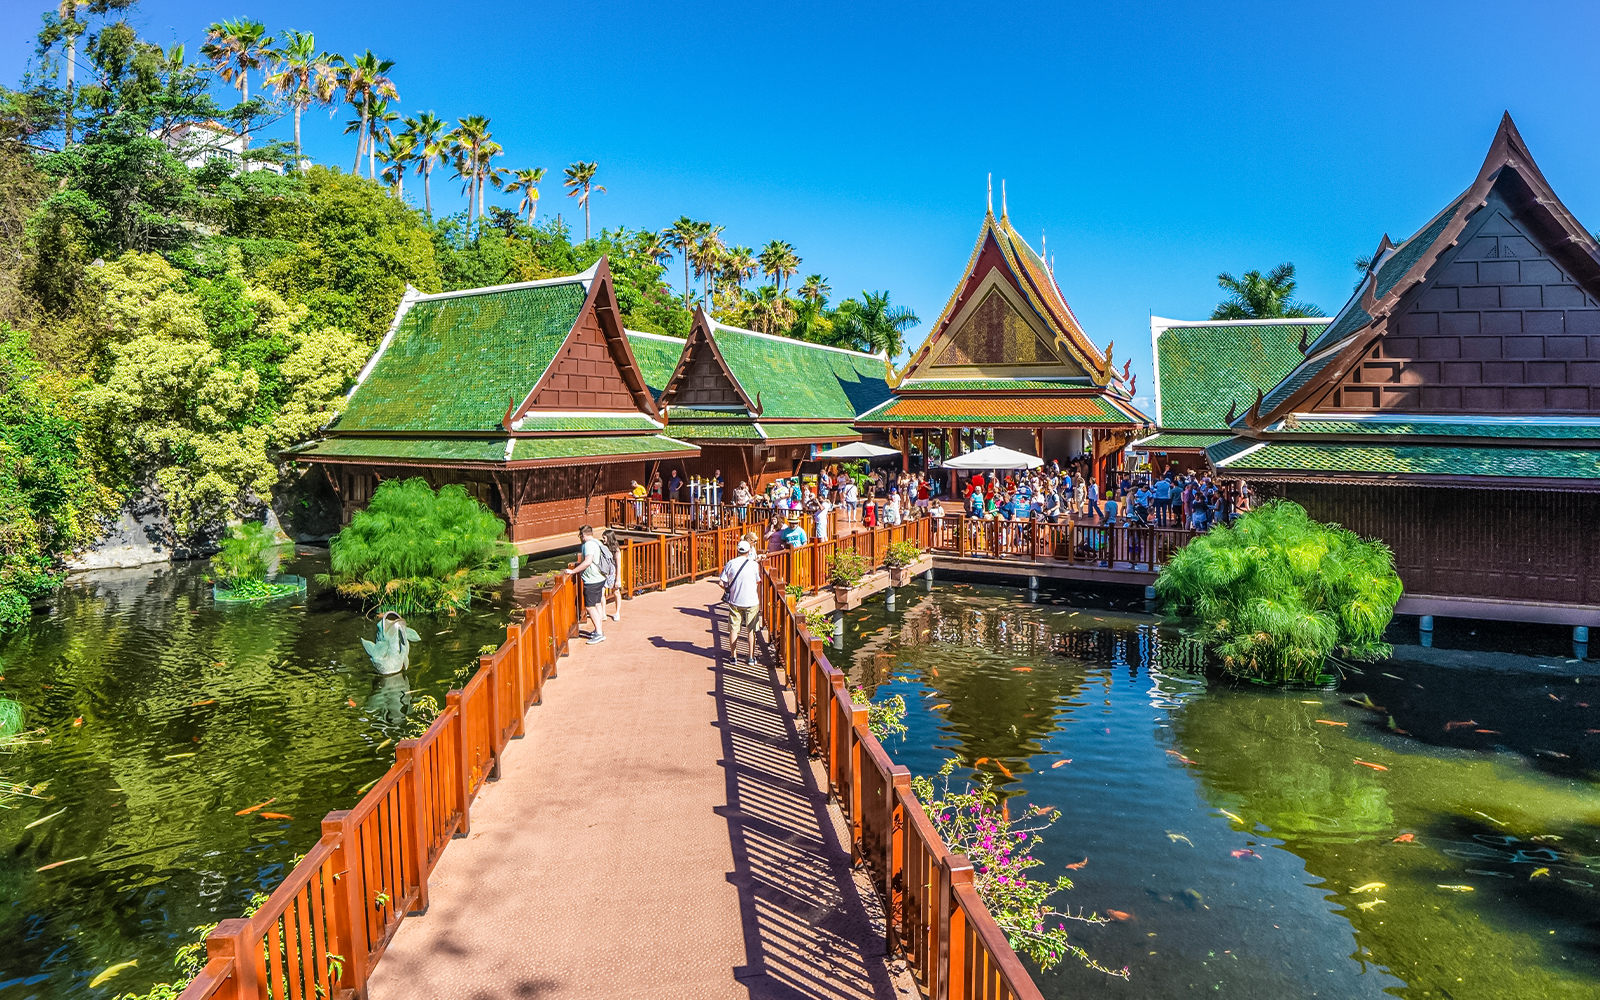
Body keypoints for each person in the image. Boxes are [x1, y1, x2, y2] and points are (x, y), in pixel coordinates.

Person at [719, 539, 762, 667]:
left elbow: (721, 582)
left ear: (737, 550)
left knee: (734, 629)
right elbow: (758, 581)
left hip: (735, 601)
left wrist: (729, 589)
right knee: (751, 629)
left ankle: (733, 656)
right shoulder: (754, 565)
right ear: (749, 551)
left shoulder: (730, 563)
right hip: (751, 601)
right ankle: (751, 657)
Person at [564, 525, 610, 645]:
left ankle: (599, 633)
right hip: (600, 577)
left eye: (580, 535)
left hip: (592, 580)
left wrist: (573, 571)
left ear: (583, 535)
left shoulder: (588, 544)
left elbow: (588, 561)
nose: (580, 537)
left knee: (590, 606)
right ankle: (598, 629)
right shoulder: (596, 542)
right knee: (597, 603)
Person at [600, 528, 624, 622]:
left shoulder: (616, 551)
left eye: (604, 538)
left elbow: (618, 565)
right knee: (601, 592)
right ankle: (603, 613)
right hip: (605, 573)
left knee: (616, 592)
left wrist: (618, 579)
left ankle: (617, 612)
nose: (603, 540)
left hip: (613, 574)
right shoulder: (603, 548)